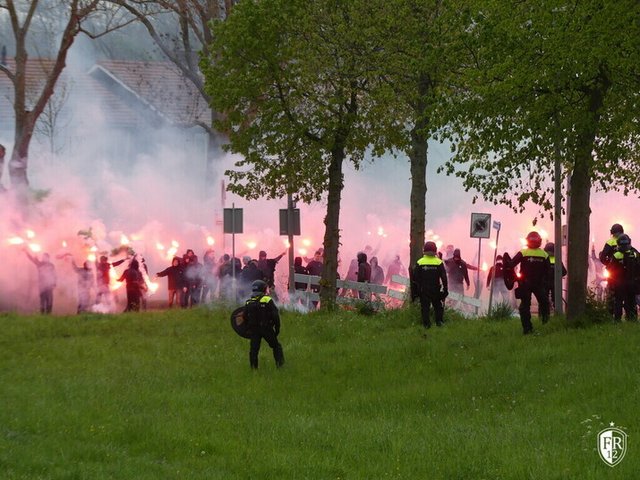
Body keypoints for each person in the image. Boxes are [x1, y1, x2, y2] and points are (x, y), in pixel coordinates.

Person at [507, 231, 551, 334]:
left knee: (525, 306)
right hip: (537, 284)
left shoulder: (523, 252)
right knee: (544, 302)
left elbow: (511, 264)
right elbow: (548, 271)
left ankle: (527, 328)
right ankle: (544, 323)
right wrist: (546, 283)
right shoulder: (544, 254)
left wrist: (512, 275)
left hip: (525, 283)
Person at [244, 279, 284, 369]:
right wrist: (277, 328)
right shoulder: (267, 299)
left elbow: (244, 317)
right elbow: (275, 315)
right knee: (276, 346)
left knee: (254, 350)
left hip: (254, 330)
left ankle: (254, 369)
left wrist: (248, 329)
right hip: (267, 329)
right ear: (263, 289)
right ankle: (280, 366)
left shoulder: (248, 302)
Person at [410, 241, 448, 328]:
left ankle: (426, 325)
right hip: (436, 289)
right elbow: (444, 278)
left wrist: (415, 292)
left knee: (425, 308)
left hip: (424, 289)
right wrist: (445, 290)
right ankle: (439, 322)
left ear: (424, 250)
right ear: (435, 250)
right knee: (438, 306)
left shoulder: (420, 262)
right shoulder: (439, 262)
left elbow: (415, 278)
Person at [605, 234, 639, 322]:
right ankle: (632, 319)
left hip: (619, 283)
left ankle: (617, 320)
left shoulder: (616, 255)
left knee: (618, 302)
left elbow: (609, 268)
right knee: (631, 301)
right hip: (632, 283)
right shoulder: (634, 254)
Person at [543, 242, 567, 312]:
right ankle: (557, 315)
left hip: (545, 283)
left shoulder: (544, 259)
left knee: (543, 300)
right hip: (555, 283)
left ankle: (543, 317)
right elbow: (564, 272)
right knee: (555, 301)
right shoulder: (556, 260)